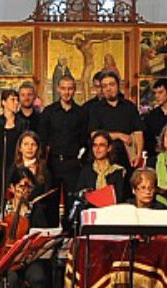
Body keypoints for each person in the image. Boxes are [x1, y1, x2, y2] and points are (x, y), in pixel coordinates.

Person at [40, 75, 88, 227]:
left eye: (70, 89)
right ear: (58, 89)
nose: (67, 92)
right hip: (53, 163)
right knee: (51, 202)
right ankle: (52, 235)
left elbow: (85, 139)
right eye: (63, 88)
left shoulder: (81, 113)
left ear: (74, 90)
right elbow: (43, 139)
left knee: (72, 202)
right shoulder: (48, 112)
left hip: (73, 163)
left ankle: (70, 236)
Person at [87, 71, 146, 171]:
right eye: (105, 86)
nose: (109, 88)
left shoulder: (129, 106)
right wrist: (119, 135)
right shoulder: (95, 108)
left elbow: (138, 132)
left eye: (112, 84)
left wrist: (139, 154)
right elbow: (94, 134)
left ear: (118, 86)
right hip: (105, 159)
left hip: (127, 158)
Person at [0, 89, 28, 211]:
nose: (16, 103)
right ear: (3, 102)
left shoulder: (22, 123)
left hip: (16, 163)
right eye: (12, 100)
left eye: (17, 100)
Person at [76, 130, 128, 203]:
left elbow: (119, 197)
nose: (97, 149)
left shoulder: (117, 171)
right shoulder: (86, 170)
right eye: (95, 145)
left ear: (109, 148)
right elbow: (80, 196)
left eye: (101, 145)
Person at [142, 78, 167, 159]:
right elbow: (146, 139)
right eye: (155, 93)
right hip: (155, 157)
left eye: (160, 92)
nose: (157, 96)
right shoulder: (150, 116)